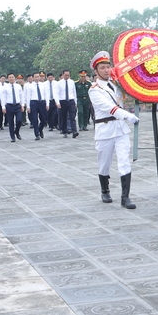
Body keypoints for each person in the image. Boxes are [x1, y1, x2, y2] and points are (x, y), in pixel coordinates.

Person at [88, 51, 138, 209]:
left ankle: (125, 197)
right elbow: (108, 107)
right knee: (104, 164)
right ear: (96, 71)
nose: (106, 70)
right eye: (102, 68)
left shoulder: (116, 86)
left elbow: (125, 98)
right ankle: (105, 189)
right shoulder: (94, 90)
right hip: (105, 130)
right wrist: (127, 116)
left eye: (108, 67)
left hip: (120, 130)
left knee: (124, 162)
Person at [2, 73, 25, 142]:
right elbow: (3, 98)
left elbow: (21, 96)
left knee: (19, 120)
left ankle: (17, 131)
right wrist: (3, 107)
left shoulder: (18, 86)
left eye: (12, 77)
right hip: (9, 106)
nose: (11, 78)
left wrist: (22, 105)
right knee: (11, 122)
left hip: (17, 105)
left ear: (15, 78)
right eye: (10, 77)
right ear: (7, 79)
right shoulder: (5, 87)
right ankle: (12, 137)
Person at [56, 69, 78, 137]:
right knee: (64, 117)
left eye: (68, 75)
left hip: (71, 100)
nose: (67, 76)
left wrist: (75, 101)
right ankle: (64, 131)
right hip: (62, 101)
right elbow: (56, 93)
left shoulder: (72, 82)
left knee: (72, 116)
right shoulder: (59, 83)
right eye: (66, 75)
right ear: (62, 75)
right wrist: (57, 102)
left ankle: (74, 131)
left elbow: (74, 92)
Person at [26, 73, 48, 140]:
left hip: (42, 102)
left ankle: (40, 129)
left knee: (44, 119)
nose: (37, 78)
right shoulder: (30, 86)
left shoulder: (43, 85)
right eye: (35, 77)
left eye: (38, 77)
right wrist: (28, 106)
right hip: (34, 102)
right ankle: (37, 134)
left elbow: (46, 94)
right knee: (35, 119)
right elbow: (28, 96)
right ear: (33, 78)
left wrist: (47, 104)